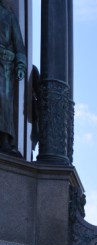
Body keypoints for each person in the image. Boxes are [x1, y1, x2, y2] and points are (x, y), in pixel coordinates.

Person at [0, 1, 26, 155]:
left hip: (5, 65)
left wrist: (21, 65)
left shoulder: (9, 16)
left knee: (4, 100)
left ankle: (4, 139)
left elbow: (19, 44)